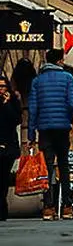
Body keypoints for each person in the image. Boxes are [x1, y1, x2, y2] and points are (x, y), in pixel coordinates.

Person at [27, 49, 73, 220]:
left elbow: (33, 108)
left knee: (47, 168)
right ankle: (66, 206)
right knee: (64, 166)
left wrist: (30, 135)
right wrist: (68, 119)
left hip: (44, 128)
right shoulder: (68, 78)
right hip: (62, 128)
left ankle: (48, 208)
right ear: (59, 61)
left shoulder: (37, 81)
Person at [0, 76, 22, 221]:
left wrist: (7, 104)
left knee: (3, 178)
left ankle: (2, 209)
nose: (1, 89)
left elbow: (17, 120)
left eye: (3, 86)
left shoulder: (12, 101)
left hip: (8, 147)